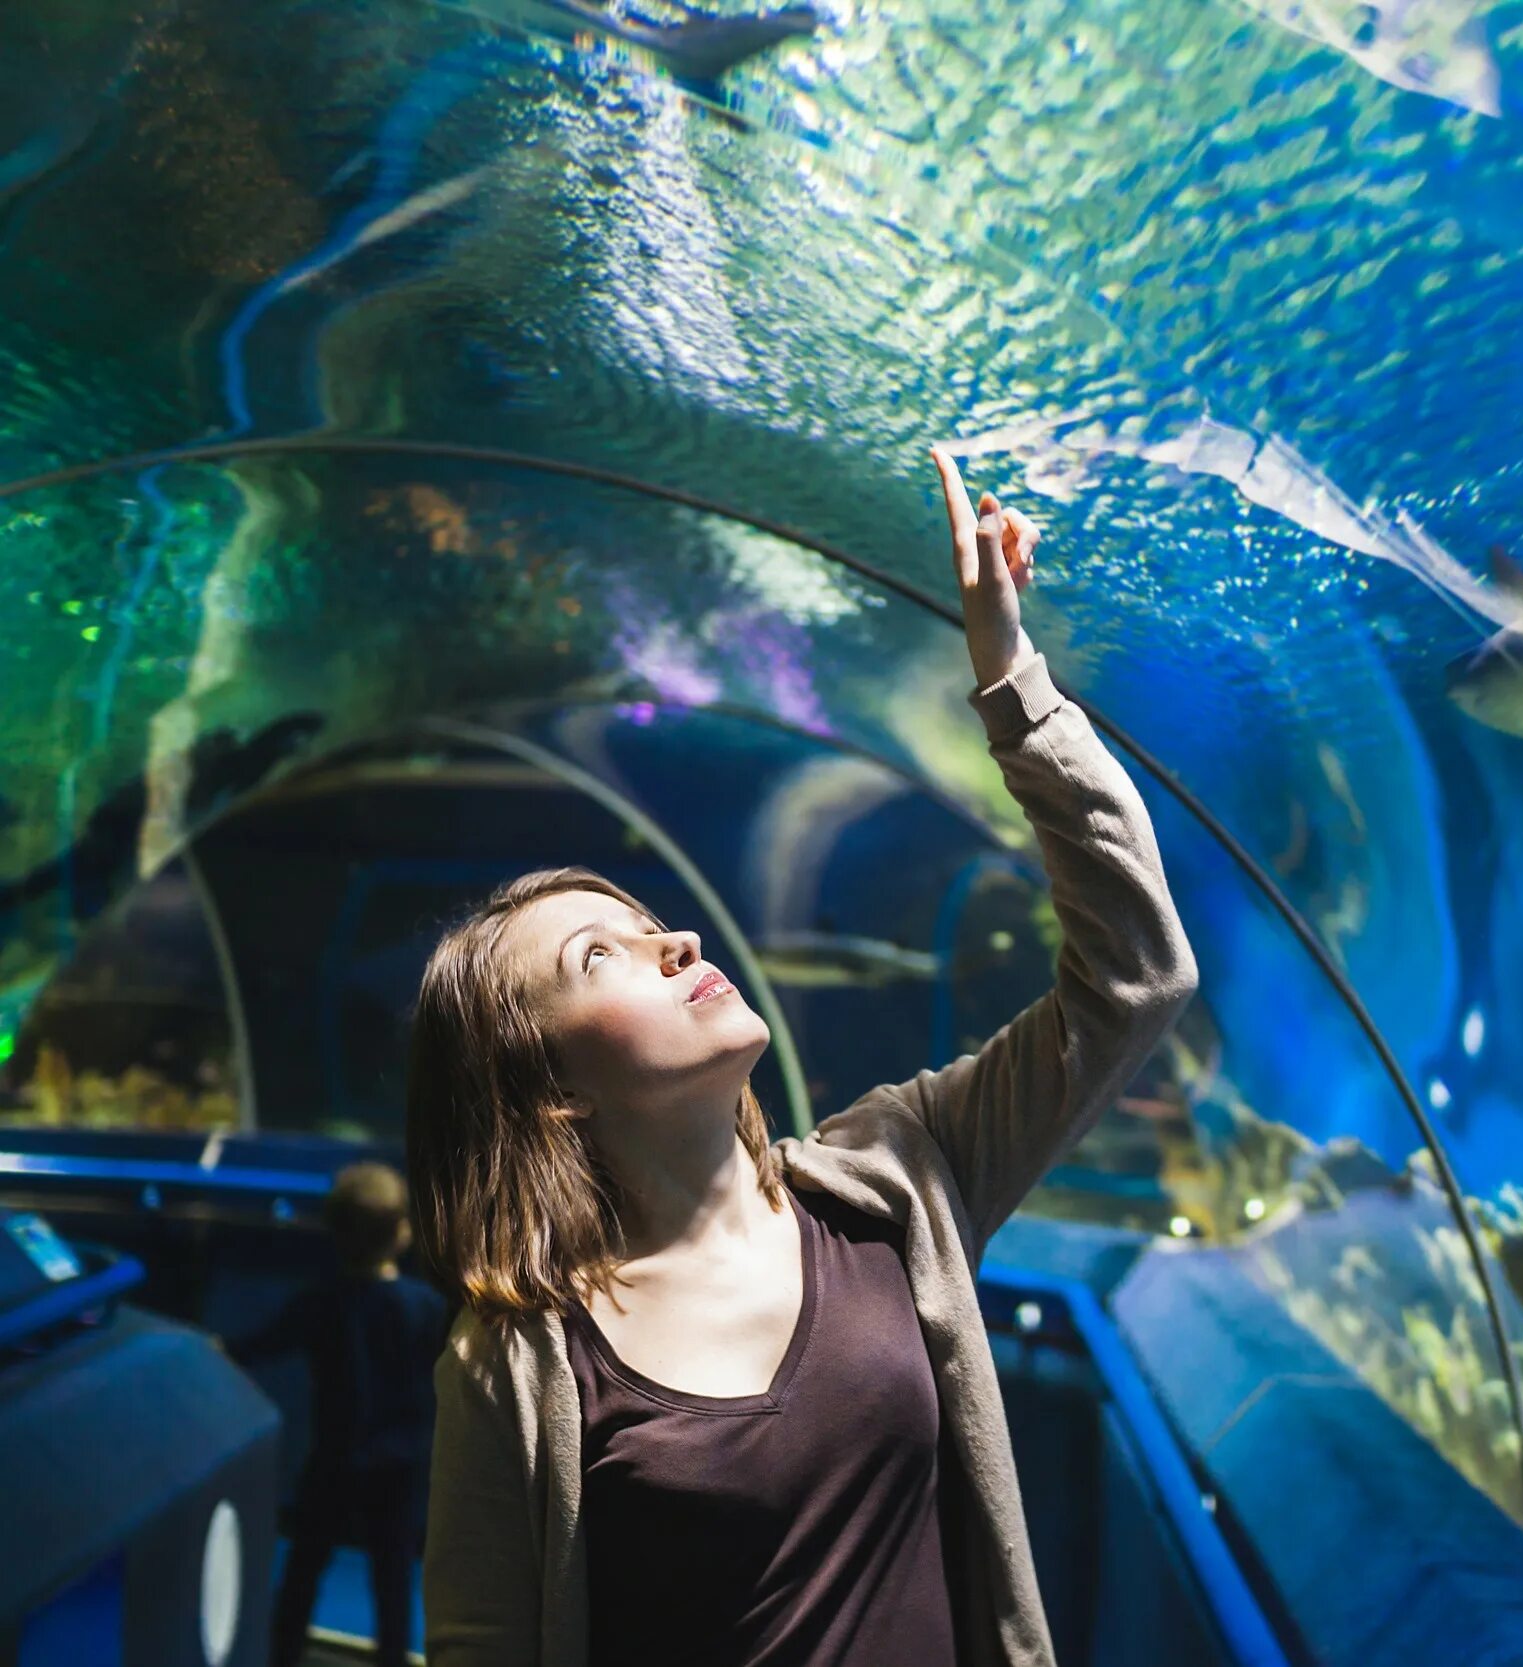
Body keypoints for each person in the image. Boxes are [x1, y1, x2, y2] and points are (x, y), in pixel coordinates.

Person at [409, 452, 1198, 1667]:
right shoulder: (519, 1358)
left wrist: (1013, 682)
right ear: (548, 1088)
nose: (674, 936)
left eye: (648, 916)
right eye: (598, 957)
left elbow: (1137, 973)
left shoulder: (897, 1177)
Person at [227, 1159, 452, 1667]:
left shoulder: (320, 1302)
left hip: (334, 1457)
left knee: (306, 1565)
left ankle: (282, 1654)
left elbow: (264, 1343)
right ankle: (392, 1657)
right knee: (393, 1577)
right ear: (402, 1233)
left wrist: (216, 1346)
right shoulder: (424, 1307)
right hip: (401, 1465)